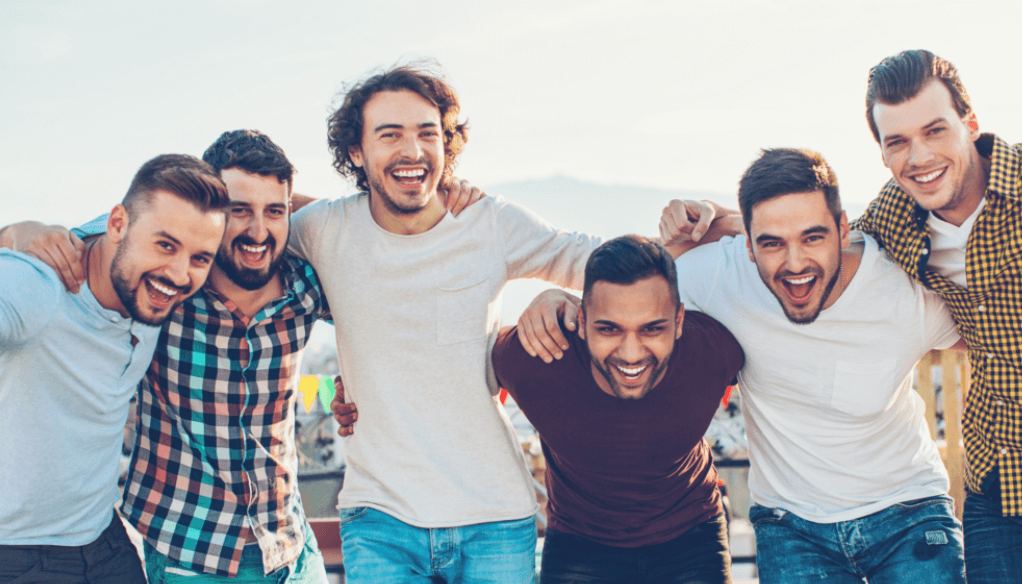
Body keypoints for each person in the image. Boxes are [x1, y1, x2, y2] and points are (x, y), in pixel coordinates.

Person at [5, 130, 488, 582]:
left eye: (275, 211)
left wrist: (436, 206)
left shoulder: (307, 285)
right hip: (186, 553)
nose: (258, 232)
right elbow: (118, 231)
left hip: (289, 549)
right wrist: (19, 231)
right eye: (238, 210)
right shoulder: (171, 286)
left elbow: (389, 284)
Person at [661, 50, 1022, 583]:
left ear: (971, 124)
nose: (919, 156)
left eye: (935, 130)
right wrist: (723, 222)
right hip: (1003, 491)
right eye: (897, 141)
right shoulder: (894, 219)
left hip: (931, 504)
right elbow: (815, 233)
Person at [528, 148, 967, 582]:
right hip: (793, 526)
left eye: (812, 237)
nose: (795, 264)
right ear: (748, 246)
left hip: (908, 512)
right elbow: (632, 289)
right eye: (771, 243)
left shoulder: (902, 292)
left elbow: (998, 336)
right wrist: (558, 300)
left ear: (842, 228)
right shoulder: (721, 276)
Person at [291, 61, 600, 583]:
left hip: (495, 517)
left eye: (427, 134)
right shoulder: (323, 230)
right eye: (390, 135)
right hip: (379, 518)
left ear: (446, 147)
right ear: (356, 152)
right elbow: (248, 216)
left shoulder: (490, 222)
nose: (412, 151)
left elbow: (605, 265)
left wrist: (721, 234)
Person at [0, 154, 228, 584]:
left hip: (105, 541)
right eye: (165, 245)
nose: (179, 274)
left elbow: (276, 203)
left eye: (200, 258)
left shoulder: (152, 285)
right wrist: (10, 236)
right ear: (118, 224)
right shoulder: (38, 284)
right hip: (15, 554)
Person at [491, 235, 742, 583]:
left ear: (680, 321)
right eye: (609, 328)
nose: (631, 352)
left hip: (691, 539)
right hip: (580, 547)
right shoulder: (536, 360)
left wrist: (714, 213)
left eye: (652, 328)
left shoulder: (714, 351)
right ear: (581, 320)